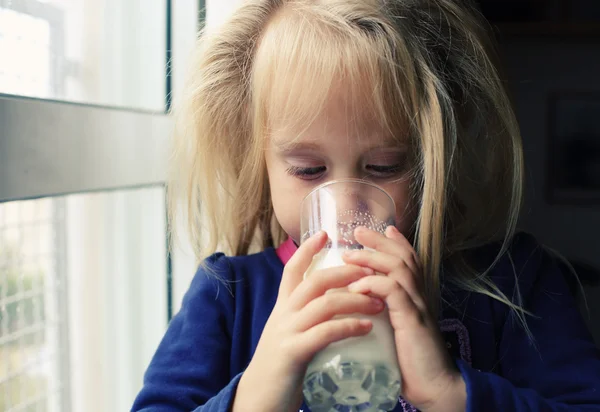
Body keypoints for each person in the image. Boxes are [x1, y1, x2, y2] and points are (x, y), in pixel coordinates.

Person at [131, 0, 600, 411]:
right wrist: (253, 398)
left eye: (383, 167)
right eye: (309, 170)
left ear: (430, 154)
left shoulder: (517, 282)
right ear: (260, 162)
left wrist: (449, 392)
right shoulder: (227, 297)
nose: (346, 208)